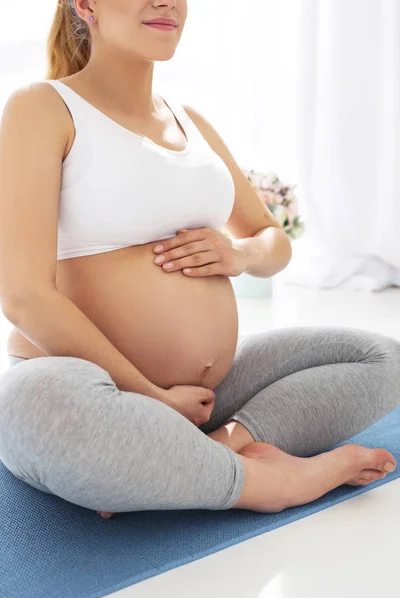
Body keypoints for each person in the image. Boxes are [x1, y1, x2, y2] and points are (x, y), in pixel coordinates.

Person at [0, 0, 399, 520]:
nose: (168, 2)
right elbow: (23, 294)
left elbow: (271, 240)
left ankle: (215, 451)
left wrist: (238, 253)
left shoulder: (193, 124)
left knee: (383, 359)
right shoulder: (43, 108)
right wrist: (147, 396)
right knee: (39, 410)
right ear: (85, 4)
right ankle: (269, 483)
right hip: (91, 385)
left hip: (206, 396)